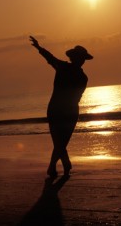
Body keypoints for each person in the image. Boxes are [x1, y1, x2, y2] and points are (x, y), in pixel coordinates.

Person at [29, 36, 93, 177]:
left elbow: (50, 58)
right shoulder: (70, 71)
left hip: (61, 109)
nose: (81, 61)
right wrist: (39, 48)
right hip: (62, 110)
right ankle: (64, 164)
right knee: (59, 141)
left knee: (60, 141)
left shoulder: (75, 74)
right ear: (74, 58)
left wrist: (39, 48)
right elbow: (50, 58)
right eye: (80, 58)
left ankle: (55, 166)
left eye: (83, 58)